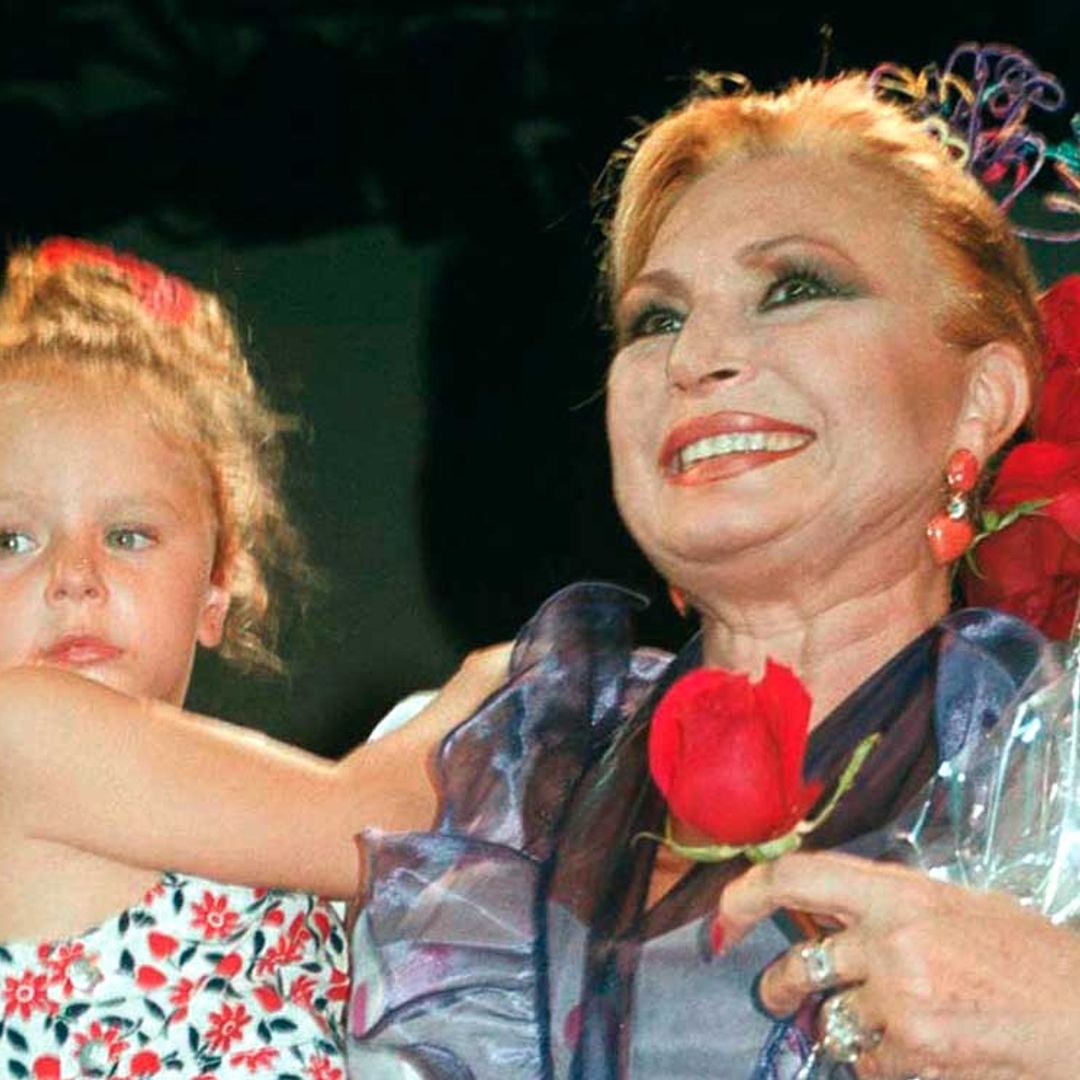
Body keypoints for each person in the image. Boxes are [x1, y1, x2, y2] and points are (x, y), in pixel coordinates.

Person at [344, 48, 1080, 1080]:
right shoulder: (486, 773)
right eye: (657, 318)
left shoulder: (1059, 770)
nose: (693, 359)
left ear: (983, 398)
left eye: (794, 287)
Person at [0, 238, 507, 1079]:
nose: (73, 577)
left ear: (217, 583)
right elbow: (374, 825)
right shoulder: (20, 731)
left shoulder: (258, 848)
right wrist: (502, 682)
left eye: (128, 535)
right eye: (11, 539)